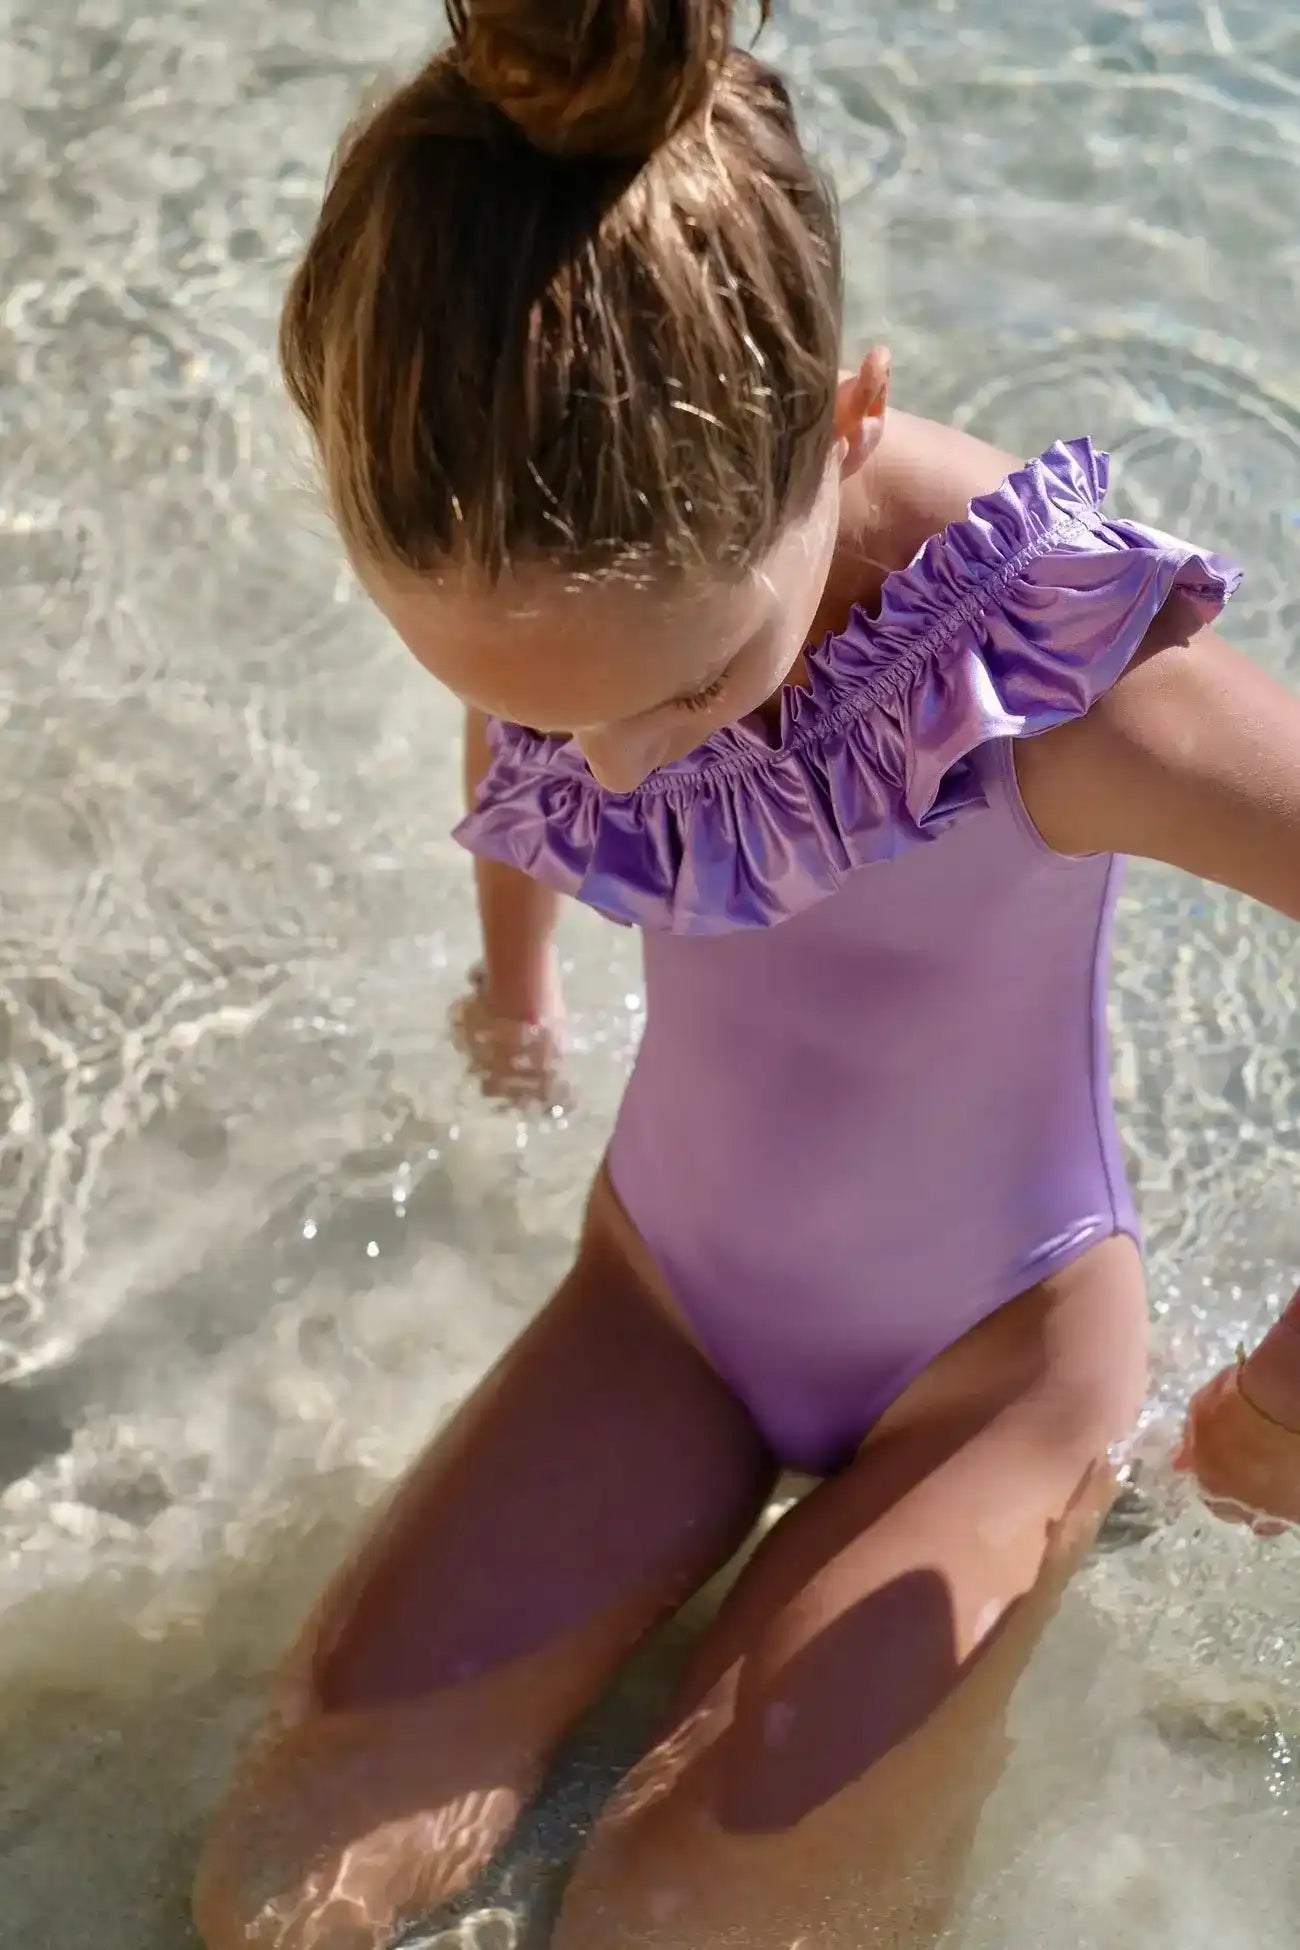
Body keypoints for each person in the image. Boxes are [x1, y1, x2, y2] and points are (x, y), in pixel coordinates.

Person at [194, 4, 1300, 1945]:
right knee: (294, 1860)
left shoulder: (1046, 684)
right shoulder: (562, 541)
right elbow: (551, 715)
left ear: (847, 422)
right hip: (665, 1301)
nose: (618, 777)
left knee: (682, 1910)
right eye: (545, 713)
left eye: (694, 696)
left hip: (988, 1376)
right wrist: (514, 985)